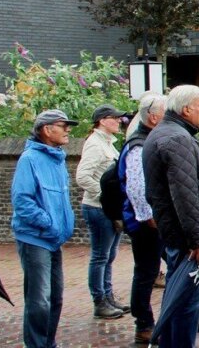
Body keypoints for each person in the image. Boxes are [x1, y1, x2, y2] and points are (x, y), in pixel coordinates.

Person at [142, 85, 199, 347]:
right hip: (187, 238)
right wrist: (197, 241)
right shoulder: (176, 138)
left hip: (181, 233)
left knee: (179, 296)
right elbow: (184, 194)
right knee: (186, 301)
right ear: (186, 109)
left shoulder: (167, 133)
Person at [11, 109, 79, 347]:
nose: (68, 130)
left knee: (55, 297)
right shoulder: (29, 159)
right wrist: (49, 223)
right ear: (47, 129)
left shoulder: (57, 158)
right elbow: (22, 202)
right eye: (63, 125)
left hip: (53, 239)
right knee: (39, 300)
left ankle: (48, 343)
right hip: (35, 238)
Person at [75, 104, 131, 319]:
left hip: (107, 208)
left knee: (109, 255)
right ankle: (100, 301)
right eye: (115, 118)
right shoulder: (95, 145)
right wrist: (104, 195)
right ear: (102, 120)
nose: (119, 121)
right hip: (97, 208)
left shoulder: (107, 143)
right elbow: (82, 176)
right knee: (100, 256)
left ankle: (108, 296)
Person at [122, 93, 167, 343]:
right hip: (147, 222)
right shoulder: (139, 145)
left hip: (156, 218)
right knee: (147, 271)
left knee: (179, 264)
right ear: (153, 117)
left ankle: (185, 311)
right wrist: (149, 218)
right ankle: (143, 323)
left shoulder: (149, 139)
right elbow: (137, 187)